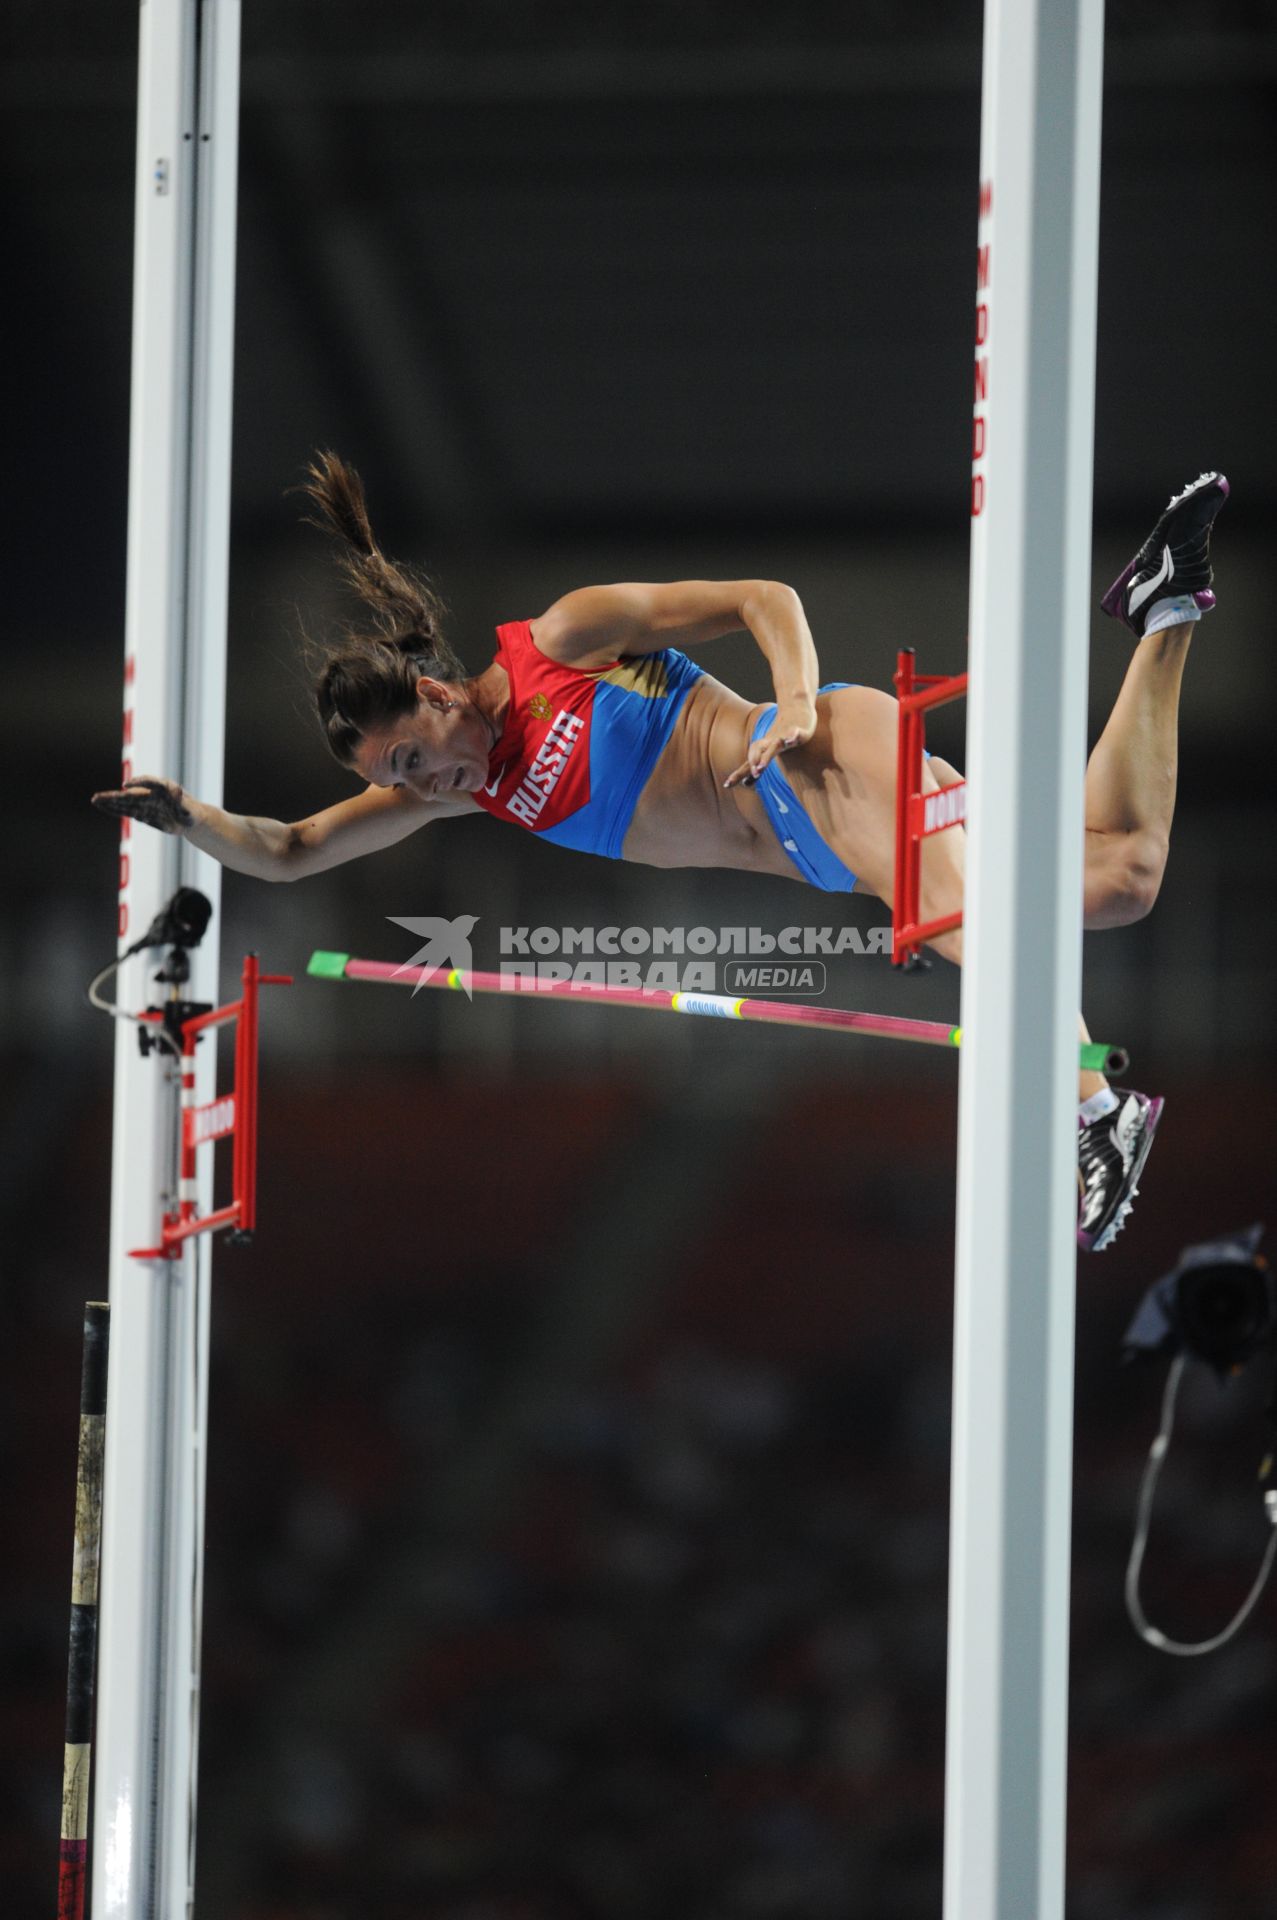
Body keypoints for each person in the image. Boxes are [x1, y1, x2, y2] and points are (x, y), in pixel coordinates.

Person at [93, 457, 1229, 1250]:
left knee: (971, 934)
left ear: (437, 695)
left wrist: (787, 703)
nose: (418, 787)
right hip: (823, 846)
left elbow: (758, 596)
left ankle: (1096, 1114)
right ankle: (1164, 611)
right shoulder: (475, 799)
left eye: (411, 758)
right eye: (395, 786)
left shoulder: (559, 642)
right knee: (1116, 879)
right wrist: (188, 816)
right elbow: (288, 852)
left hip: (821, 762)